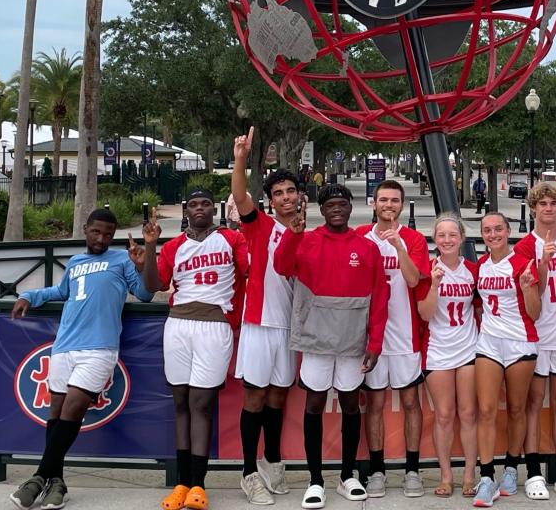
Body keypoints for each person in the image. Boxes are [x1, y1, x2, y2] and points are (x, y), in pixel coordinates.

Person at [9, 209, 155, 510]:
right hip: (64, 346)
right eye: (96, 232)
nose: (102, 238)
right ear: (86, 229)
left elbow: (144, 295)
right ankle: (57, 483)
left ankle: (38, 476)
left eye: (108, 234)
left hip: (99, 349)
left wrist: (143, 263)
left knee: (74, 407)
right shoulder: (75, 262)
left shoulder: (121, 260)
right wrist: (28, 296)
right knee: (57, 409)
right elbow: (60, 291)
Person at [273, 183, 388, 509]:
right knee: (314, 406)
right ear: (322, 210)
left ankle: (347, 475)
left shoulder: (367, 248)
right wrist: (293, 235)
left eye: (342, 203)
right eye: (330, 205)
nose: (336, 209)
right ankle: (315, 480)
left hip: (353, 343)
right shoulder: (306, 240)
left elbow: (380, 298)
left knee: (351, 406)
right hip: (316, 341)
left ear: (351, 207)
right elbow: (281, 267)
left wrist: (375, 342)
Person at [141, 190, 249, 510]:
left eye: (205, 204)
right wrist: (149, 246)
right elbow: (154, 286)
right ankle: (181, 483)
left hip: (215, 326)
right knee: (181, 403)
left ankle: (199, 484)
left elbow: (250, 272)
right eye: (193, 205)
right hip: (178, 325)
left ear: (213, 209)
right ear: (186, 211)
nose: (199, 209)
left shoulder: (231, 239)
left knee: (201, 403)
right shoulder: (174, 246)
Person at [230, 127, 303, 505]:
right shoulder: (261, 226)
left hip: (290, 329)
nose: (286, 197)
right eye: (279, 193)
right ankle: (247, 473)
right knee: (255, 398)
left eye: (291, 191)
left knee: (277, 399)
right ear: (271, 201)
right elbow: (239, 195)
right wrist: (242, 157)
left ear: (299, 196)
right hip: (259, 323)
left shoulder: (308, 233)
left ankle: (272, 462)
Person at [356, 180, 430, 498]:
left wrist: (399, 246)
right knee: (374, 404)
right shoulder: (360, 236)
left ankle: (412, 470)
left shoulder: (413, 239)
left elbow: (414, 279)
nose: (388, 205)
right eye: (383, 199)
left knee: (411, 402)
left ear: (402, 204)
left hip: (404, 335)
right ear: (373, 203)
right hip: (371, 336)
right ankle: (377, 471)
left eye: (394, 200)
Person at [513, 183, 556, 500]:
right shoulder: (525, 247)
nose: (548, 208)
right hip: (536, 338)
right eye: (542, 203)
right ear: (533, 208)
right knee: (532, 406)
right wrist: (542, 262)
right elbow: (533, 299)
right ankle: (534, 473)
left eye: (553, 203)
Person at [471, 212, 541, 508]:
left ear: (508, 231)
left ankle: (512, 469)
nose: (493, 234)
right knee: (486, 410)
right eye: (487, 230)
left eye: (498, 229)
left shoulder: (523, 264)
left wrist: (527, 288)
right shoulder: (480, 266)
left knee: (516, 409)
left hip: (520, 342)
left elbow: (535, 312)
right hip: (489, 342)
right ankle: (487, 477)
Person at [416, 214, 480, 498]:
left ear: (462, 238)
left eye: (453, 235)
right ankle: (445, 475)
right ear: (434, 239)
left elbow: (482, 307)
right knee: (443, 415)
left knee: (468, 413)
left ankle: (469, 473)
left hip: (468, 347)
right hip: (438, 349)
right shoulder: (427, 269)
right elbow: (425, 314)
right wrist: (433, 284)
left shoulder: (473, 270)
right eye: (441, 235)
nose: (447, 240)